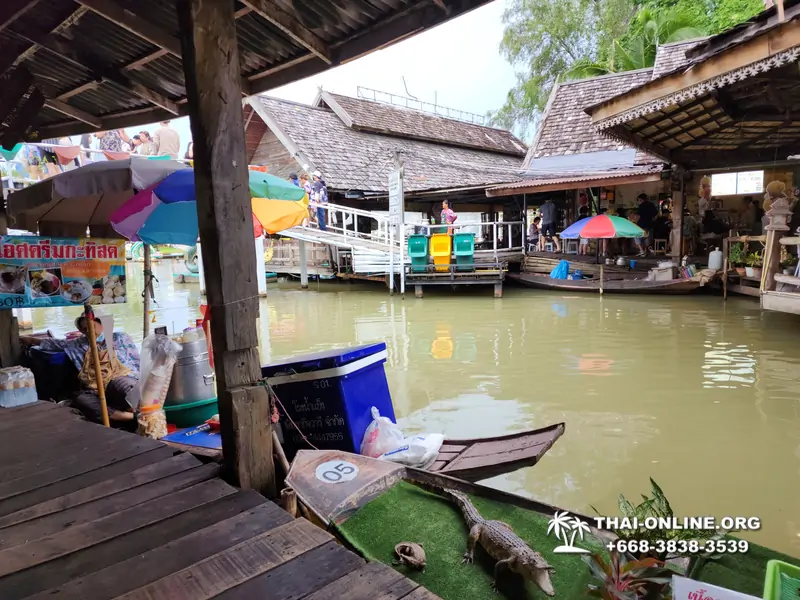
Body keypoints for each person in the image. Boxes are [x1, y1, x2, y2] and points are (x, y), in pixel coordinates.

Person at [20, 316, 140, 426]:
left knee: (121, 386)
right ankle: (130, 417)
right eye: (84, 329)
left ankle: (143, 411)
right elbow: (53, 343)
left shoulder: (120, 337)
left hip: (122, 378)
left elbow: (136, 361)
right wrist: (30, 340)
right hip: (96, 387)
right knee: (82, 400)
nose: (88, 330)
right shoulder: (77, 344)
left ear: (101, 324)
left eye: (91, 326)